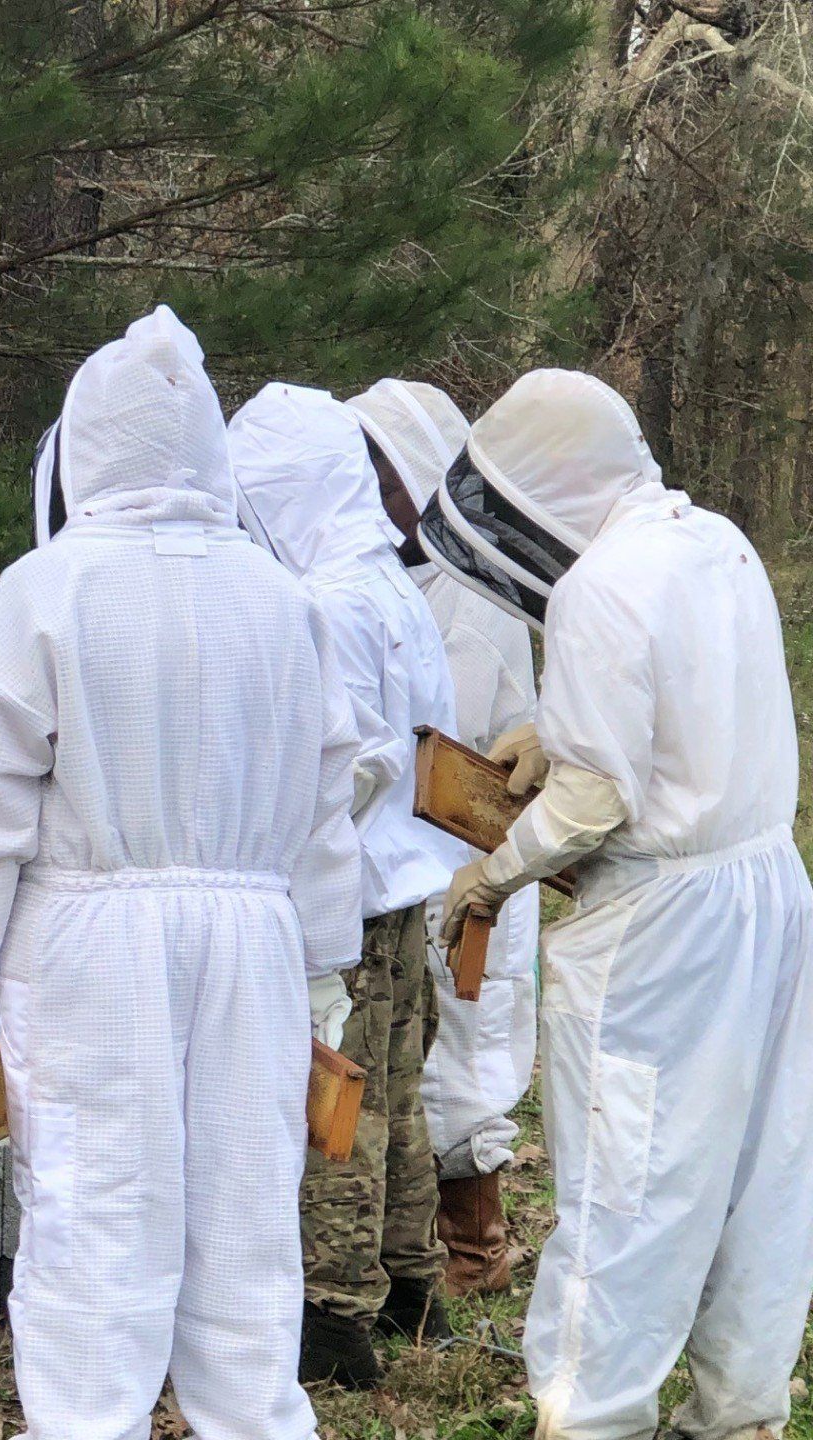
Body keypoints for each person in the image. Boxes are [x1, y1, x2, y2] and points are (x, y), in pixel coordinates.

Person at [0, 307, 365, 1440]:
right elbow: (327, 801)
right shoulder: (286, 599)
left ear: (85, 446)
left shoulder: (44, 591)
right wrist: (323, 959)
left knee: (94, 1213)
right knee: (246, 1219)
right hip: (255, 941)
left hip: (90, 944)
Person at [431, 370, 813, 1440]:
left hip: (662, 934)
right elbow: (689, 704)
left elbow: (597, 803)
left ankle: (590, 1417)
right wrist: (558, 733)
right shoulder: (716, 541)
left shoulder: (601, 584)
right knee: (758, 1173)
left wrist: (493, 874)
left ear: (542, 486)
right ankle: (740, 1414)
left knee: (627, 1186)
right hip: (767, 895)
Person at [229, 382, 459, 1387]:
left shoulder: (322, 601)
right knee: (400, 1093)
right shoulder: (389, 584)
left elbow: (341, 768)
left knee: (340, 1103)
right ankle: (412, 1284)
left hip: (350, 898)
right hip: (402, 883)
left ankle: (333, 1319)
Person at [348, 377, 539, 1294]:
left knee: (469, 1037)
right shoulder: (355, 580)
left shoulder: (482, 597)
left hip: (472, 857)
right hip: (382, 864)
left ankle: (476, 1247)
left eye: (389, 477)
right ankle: (405, 1240)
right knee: (390, 1055)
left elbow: (502, 740)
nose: (377, 495)